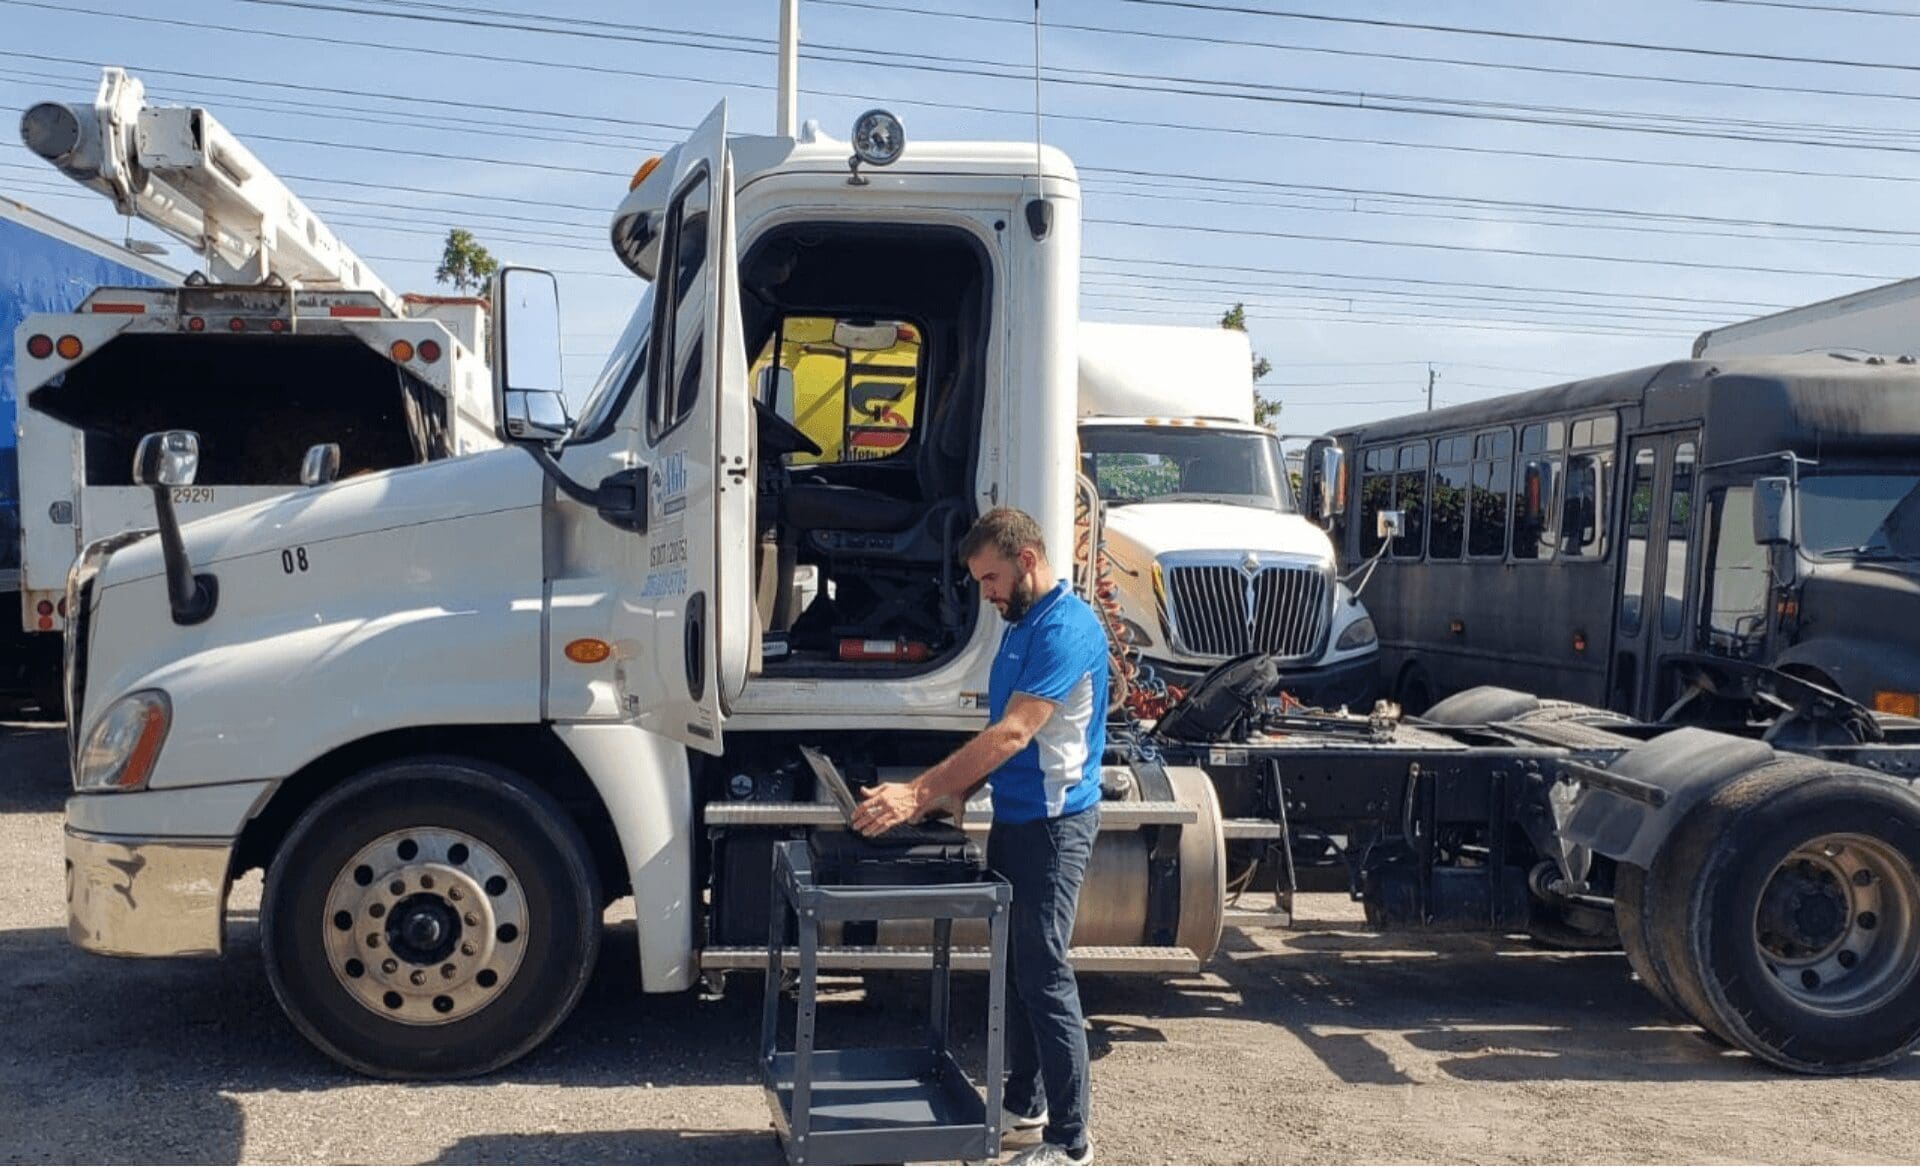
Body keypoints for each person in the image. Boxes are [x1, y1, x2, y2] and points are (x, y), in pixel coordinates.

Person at [853, 506, 1106, 1166]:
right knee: (1020, 969)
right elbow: (1002, 742)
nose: (986, 594)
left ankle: (1071, 1141)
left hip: (1055, 826)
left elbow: (1015, 732)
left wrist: (918, 792)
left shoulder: (1066, 627)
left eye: (991, 578)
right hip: (1019, 820)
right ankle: (1026, 1104)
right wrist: (960, 795)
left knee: (1045, 972)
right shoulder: (1022, 627)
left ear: (1027, 560)